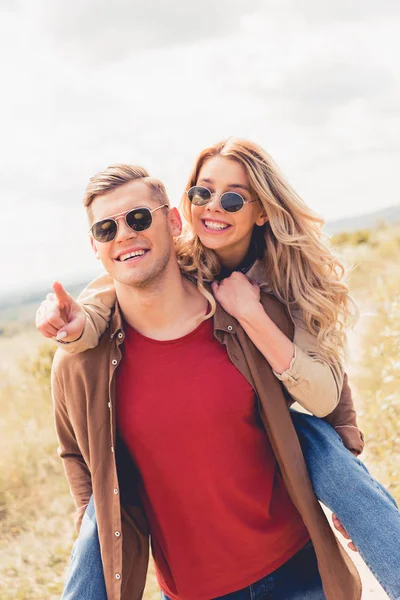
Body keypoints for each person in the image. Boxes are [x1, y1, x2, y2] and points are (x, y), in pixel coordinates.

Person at [37, 143, 400, 598]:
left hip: (300, 573)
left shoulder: (262, 302)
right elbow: (77, 456)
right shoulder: (82, 358)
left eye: (139, 219)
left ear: (171, 221)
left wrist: (346, 452)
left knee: (308, 433)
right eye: (107, 228)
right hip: (195, 590)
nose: (124, 234)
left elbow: (329, 383)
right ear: (95, 245)